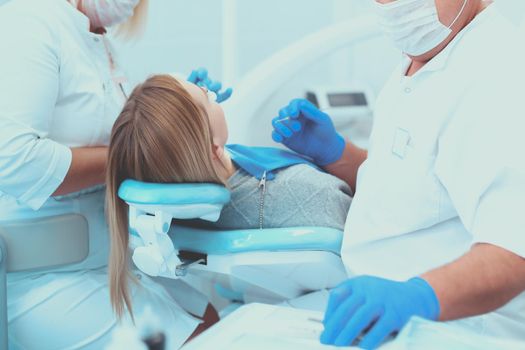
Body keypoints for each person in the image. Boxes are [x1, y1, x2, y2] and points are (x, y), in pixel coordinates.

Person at [272, 0, 525, 348]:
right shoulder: (423, 59)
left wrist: (418, 296)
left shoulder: (501, 74)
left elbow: (512, 251)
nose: (396, 7)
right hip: (378, 316)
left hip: (458, 330)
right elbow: (414, 190)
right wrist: (336, 153)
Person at [0, 0, 227, 348]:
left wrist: (187, 110)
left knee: (213, 320)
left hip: (109, 265)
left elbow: (123, 136)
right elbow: (14, 161)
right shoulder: (30, 21)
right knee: (202, 338)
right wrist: (131, 154)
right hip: (44, 278)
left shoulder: (98, 43)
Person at [105, 73, 353, 317]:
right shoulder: (305, 191)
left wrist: (193, 115)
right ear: (214, 149)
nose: (210, 94)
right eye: (207, 97)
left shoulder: (171, 208)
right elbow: (377, 217)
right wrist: (337, 156)